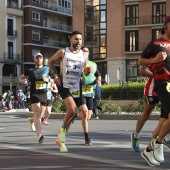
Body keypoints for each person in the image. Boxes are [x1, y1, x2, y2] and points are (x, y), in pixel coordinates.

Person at [48, 31, 93, 152]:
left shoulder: (84, 54)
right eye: (76, 39)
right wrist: (54, 75)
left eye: (80, 39)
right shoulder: (63, 52)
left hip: (77, 85)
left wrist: (88, 70)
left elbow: (85, 72)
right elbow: (50, 61)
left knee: (72, 115)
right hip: (64, 84)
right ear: (71, 40)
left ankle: (61, 140)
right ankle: (62, 129)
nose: (78, 42)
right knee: (72, 109)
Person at [138, 16, 170, 166]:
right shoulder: (155, 44)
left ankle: (150, 150)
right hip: (163, 84)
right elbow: (140, 62)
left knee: (164, 122)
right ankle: (158, 142)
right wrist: (154, 60)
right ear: (165, 26)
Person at [67, 46, 102, 146]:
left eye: (87, 51)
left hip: (90, 91)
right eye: (83, 51)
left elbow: (98, 74)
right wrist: (84, 73)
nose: (85, 53)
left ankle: (75, 115)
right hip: (80, 90)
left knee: (88, 116)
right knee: (85, 112)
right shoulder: (77, 64)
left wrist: (99, 80)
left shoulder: (93, 64)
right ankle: (87, 137)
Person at [19, 52, 50, 143]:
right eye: (37, 58)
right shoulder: (30, 70)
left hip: (44, 93)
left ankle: (32, 120)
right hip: (34, 93)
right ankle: (39, 136)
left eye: (40, 58)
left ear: (43, 59)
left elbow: (53, 79)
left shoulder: (47, 68)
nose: (39, 59)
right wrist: (23, 81)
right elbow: (21, 78)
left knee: (40, 115)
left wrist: (47, 80)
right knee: (37, 113)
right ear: (34, 59)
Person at [130, 66, 159, 152]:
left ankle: (164, 138)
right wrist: (158, 76)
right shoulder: (153, 55)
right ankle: (136, 136)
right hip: (152, 90)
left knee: (167, 115)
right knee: (147, 115)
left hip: (166, 89)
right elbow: (142, 71)